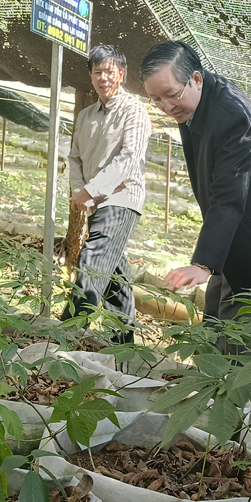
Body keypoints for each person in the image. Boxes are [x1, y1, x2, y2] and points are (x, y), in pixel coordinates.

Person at [140, 41, 251, 353]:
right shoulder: (193, 104)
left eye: (171, 94)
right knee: (214, 310)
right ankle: (213, 387)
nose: (166, 106)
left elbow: (229, 193)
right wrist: (209, 261)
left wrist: (203, 263)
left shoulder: (231, 114)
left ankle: (243, 399)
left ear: (196, 79)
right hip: (233, 226)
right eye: (156, 99)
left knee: (238, 318)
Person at [63, 44, 152, 342]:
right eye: (98, 72)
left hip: (121, 199)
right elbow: (75, 158)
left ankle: (64, 336)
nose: (104, 78)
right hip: (94, 201)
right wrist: (80, 191)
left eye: (110, 72)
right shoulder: (87, 115)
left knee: (94, 260)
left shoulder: (134, 111)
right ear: (90, 75)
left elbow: (129, 160)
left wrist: (92, 189)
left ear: (122, 74)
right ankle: (123, 345)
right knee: (114, 275)